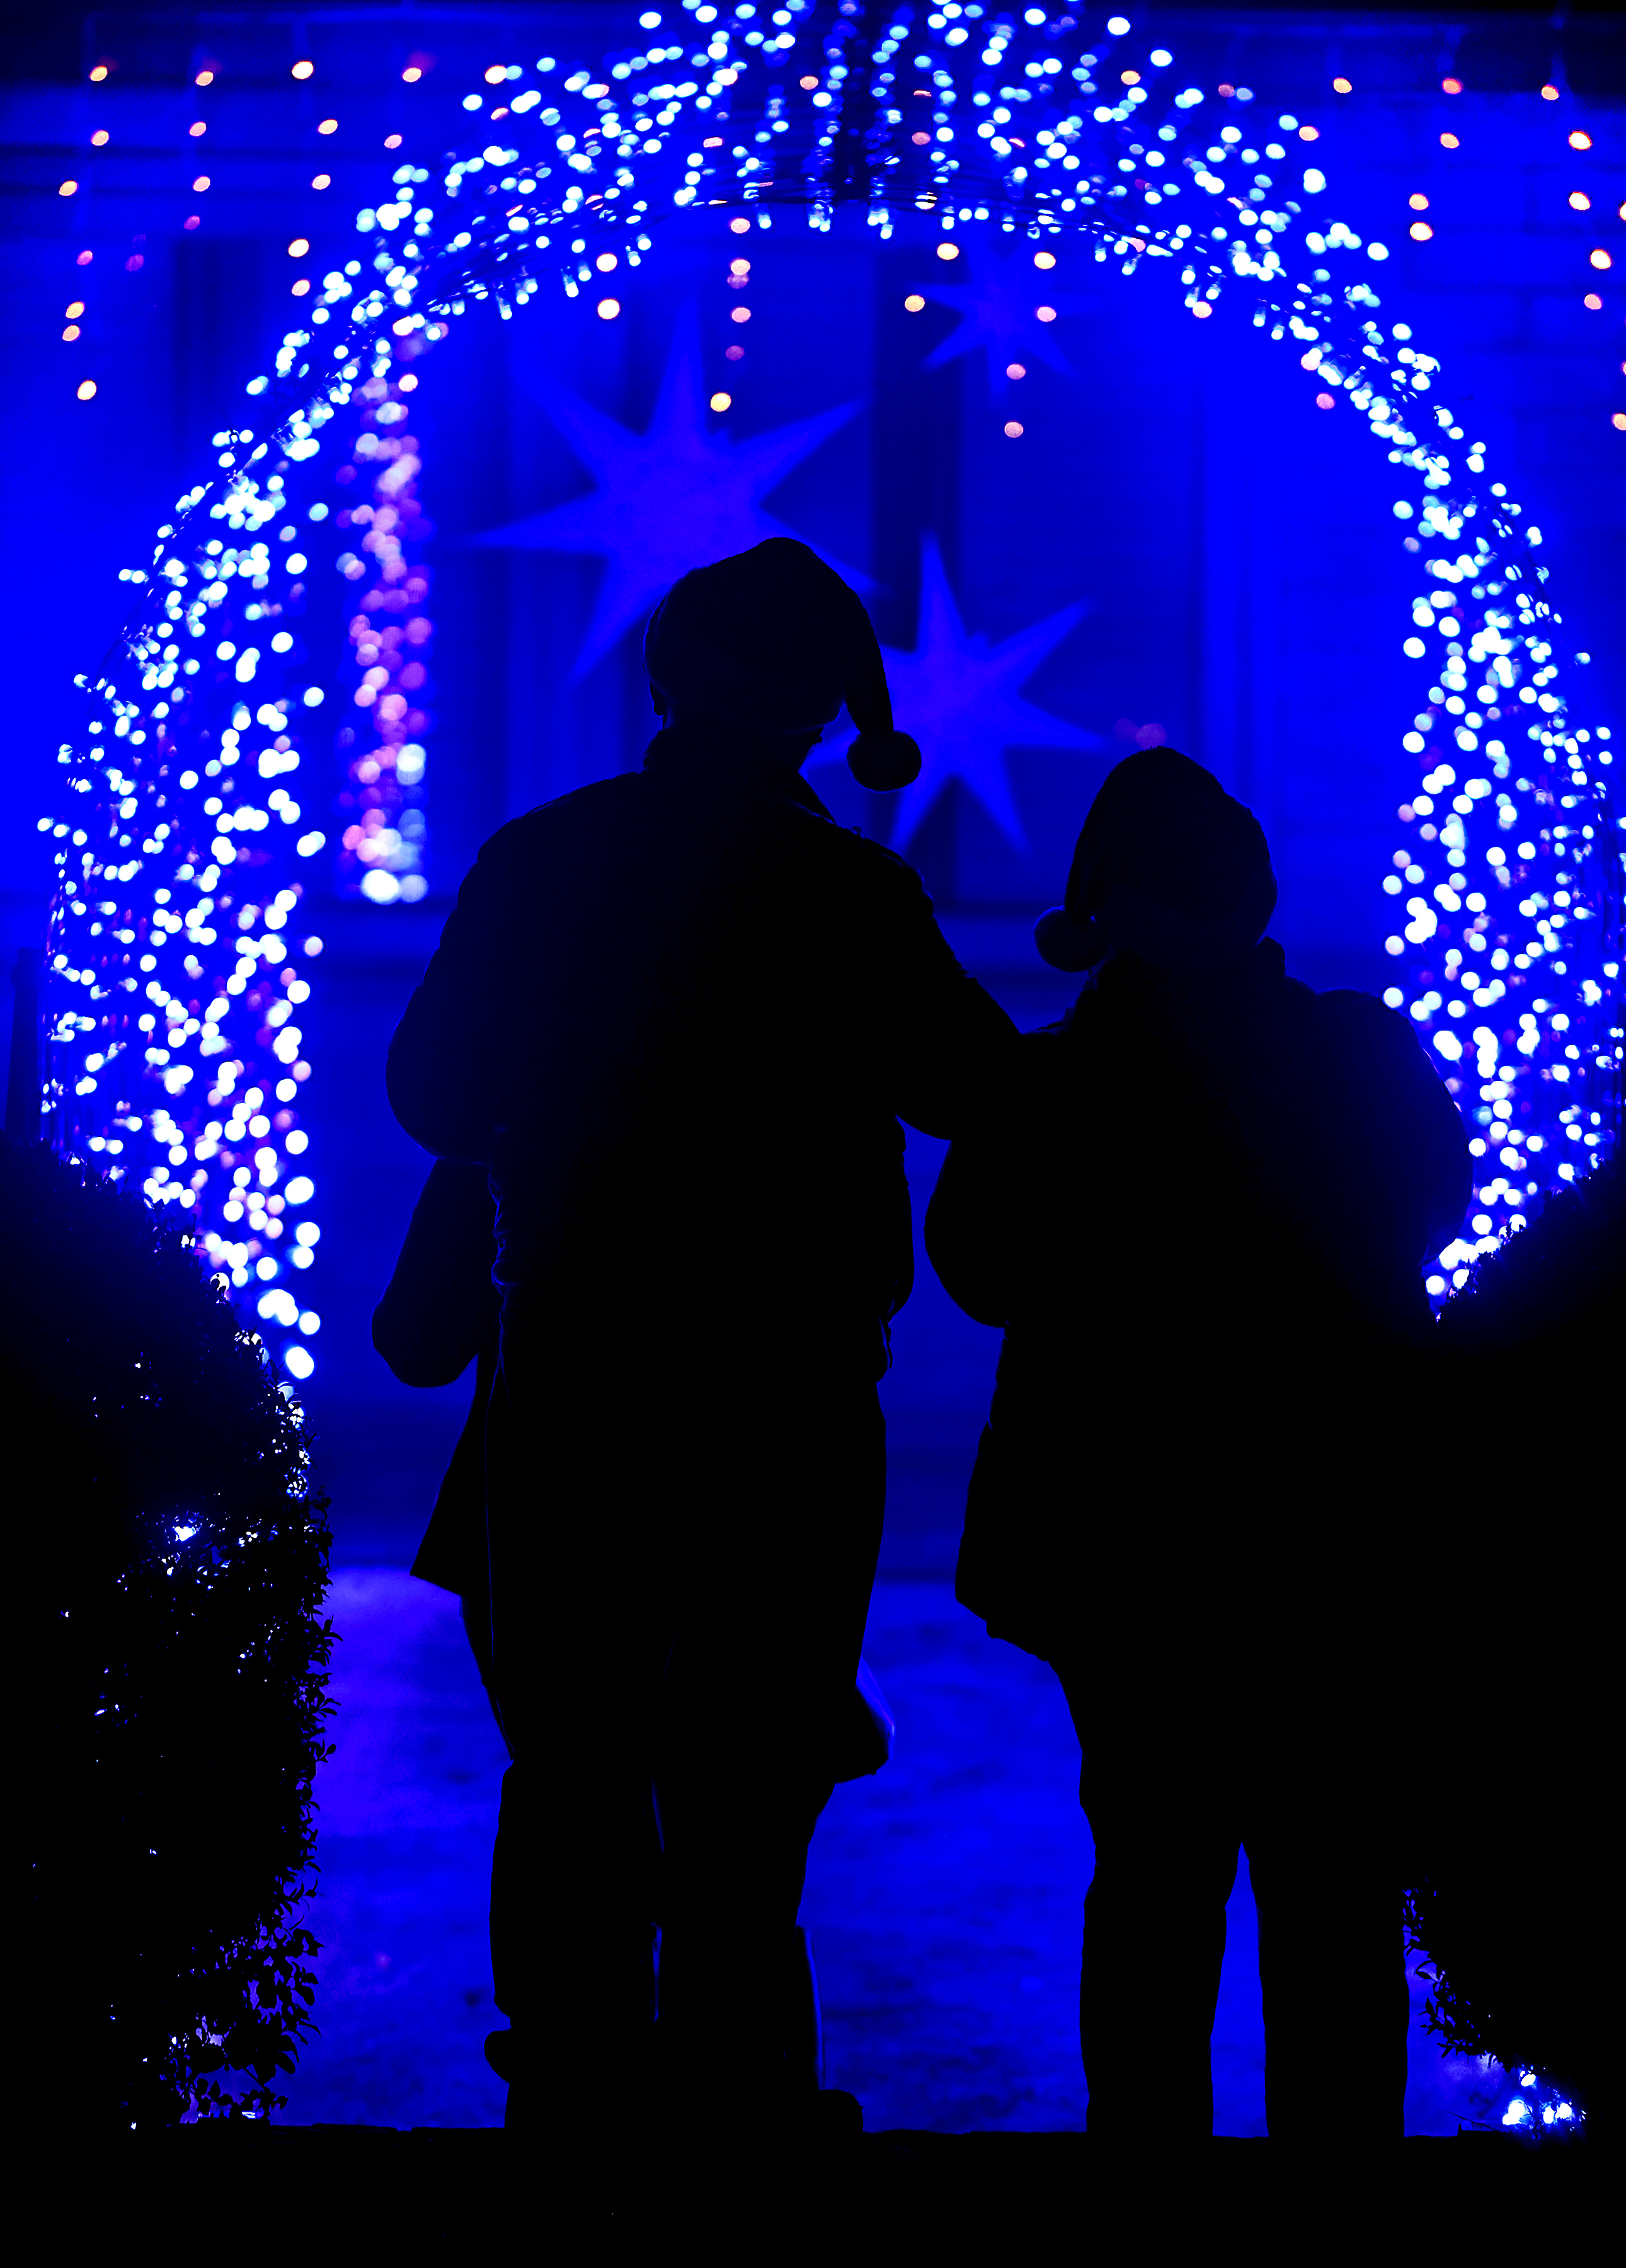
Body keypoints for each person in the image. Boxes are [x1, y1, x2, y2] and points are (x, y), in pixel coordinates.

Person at [384, 537, 1015, 2146]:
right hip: (790, 1399)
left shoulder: (541, 861)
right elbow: (974, 1091)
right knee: (750, 1781)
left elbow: (435, 1098)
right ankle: (743, 2098)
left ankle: (578, 2093)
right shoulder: (850, 895)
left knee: (574, 1756)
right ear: (821, 713)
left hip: (578, 1376)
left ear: (662, 680)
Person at [925, 747, 1470, 2146]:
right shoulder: (1357, 1051)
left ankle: (1150, 2184)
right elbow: (1429, 1210)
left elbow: (978, 1268)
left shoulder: (1058, 1082)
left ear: (1108, 910)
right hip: (1334, 1526)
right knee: (1334, 1887)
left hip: (1122, 1539)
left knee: (1155, 1878)